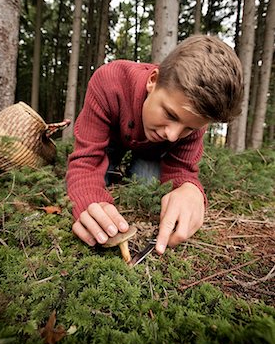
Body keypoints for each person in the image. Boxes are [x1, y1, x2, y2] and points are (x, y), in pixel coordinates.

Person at [66, 34, 243, 255]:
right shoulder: (109, 81)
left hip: (152, 154)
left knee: (147, 181)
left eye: (188, 128)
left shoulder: (195, 118)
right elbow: (86, 160)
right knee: (98, 179)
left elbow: (181, 169)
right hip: (109, 141)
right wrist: (89, 201)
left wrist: (190, 189)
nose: (172, 135)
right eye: (170, 114)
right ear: (153, 81)